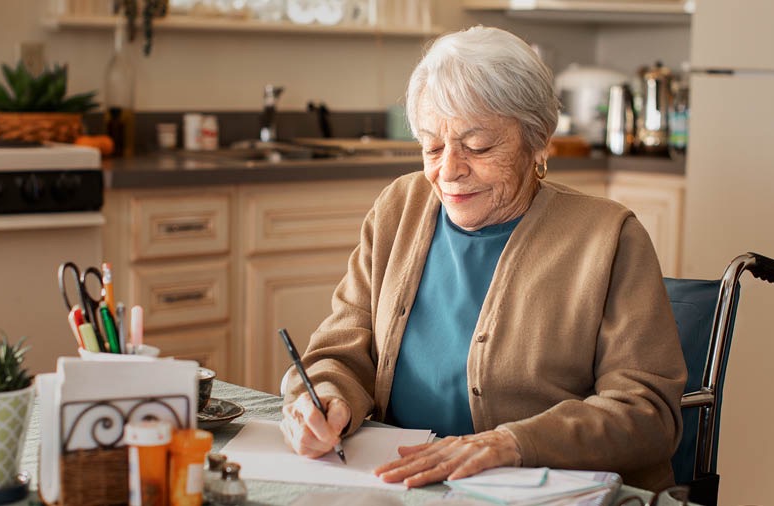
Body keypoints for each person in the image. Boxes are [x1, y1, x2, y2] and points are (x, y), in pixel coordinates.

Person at [280, 25, 687, 492]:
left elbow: (647, 414)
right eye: (432, 146)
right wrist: (324, 399)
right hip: (407, 485)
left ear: (538, 141)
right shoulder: (400, 208)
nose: (448, 170)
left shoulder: (609, 237)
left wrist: (512, 444)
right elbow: (340, 351)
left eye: (478, 146)